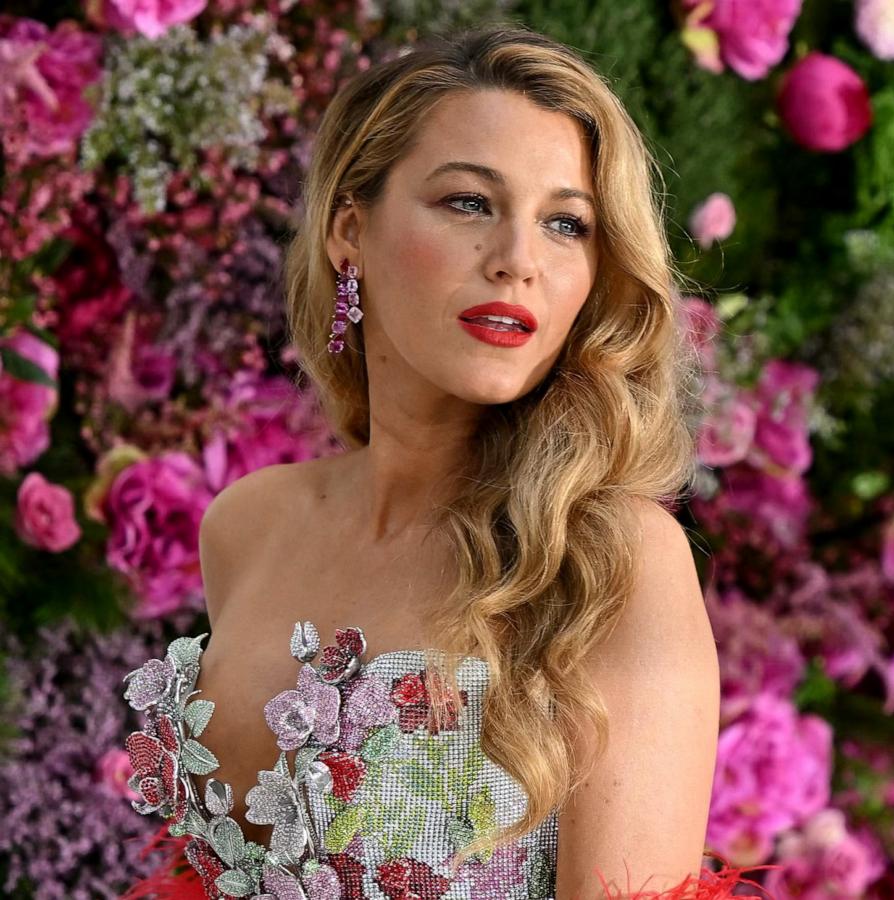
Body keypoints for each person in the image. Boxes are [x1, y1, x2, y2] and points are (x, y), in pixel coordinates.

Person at [117, 22, 758, 900]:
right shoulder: (248, 525)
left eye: (566, 223)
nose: (518, 261)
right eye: (468, 202)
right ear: (350, 230)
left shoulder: (617, 560)